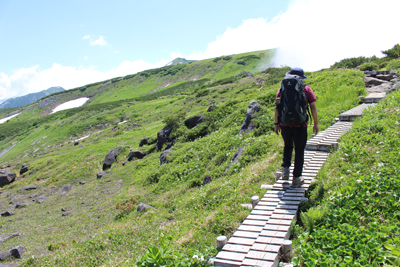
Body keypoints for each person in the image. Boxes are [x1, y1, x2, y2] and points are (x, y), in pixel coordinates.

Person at [274, 68, 319, 188]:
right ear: (301, 78)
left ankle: (285, 170)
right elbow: (313, 107)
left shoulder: (282, 89)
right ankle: (297, 178)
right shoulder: (306, 89)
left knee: (288, 146)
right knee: (299, 150)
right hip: (300, 125)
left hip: (284, 124)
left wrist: (276, 124)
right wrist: (316, 123)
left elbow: (277, 108)